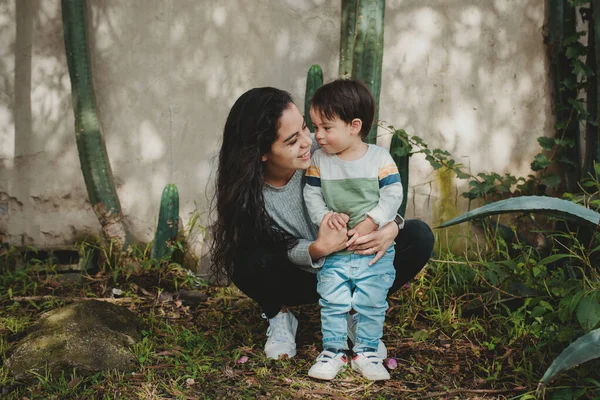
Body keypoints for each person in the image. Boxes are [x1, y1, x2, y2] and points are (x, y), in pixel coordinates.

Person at [210, 86, 434, 370]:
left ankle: (357, 309)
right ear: (261, 153)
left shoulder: (328, 150)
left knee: (419, 236)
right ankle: (278, 316)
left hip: (355, 258)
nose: (309, 141)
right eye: (292, 140)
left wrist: (391, 227)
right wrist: (318, 248)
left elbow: (377, 192)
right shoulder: (249, 193)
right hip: (301, 277)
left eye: (306, 127)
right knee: (240, 256)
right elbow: (271, 250)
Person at [303, 79, 401, 381]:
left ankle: (367, 352)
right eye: (315, 127)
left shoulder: (379, 159)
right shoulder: (319, 161)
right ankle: (333, 351)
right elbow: (311, 193)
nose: (317, 136)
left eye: (325, 127)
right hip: (336, 250)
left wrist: (374, 220)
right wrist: (324, 216)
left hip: (372, 248)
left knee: (371, 302)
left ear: (354, 126)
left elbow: (393, 194)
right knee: (332, 301)